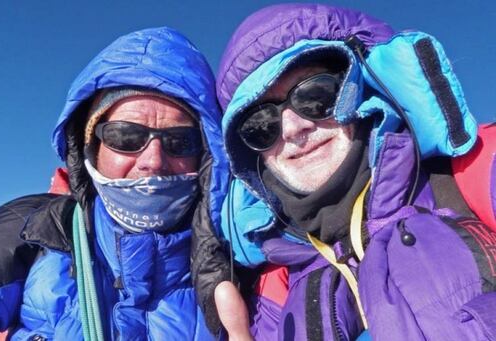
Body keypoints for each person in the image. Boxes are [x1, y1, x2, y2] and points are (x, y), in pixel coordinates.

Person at [0, 27, 227, 341]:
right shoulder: (35, 228)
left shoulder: (237, 252)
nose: (153, 160)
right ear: (90, 148)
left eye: (181, 142)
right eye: (126, 136)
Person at [192, 4, 496, 340]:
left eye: (315, 96)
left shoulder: (475, 173)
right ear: (252, 156)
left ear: (361, 89)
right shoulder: (274, 285)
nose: (293, 128)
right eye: (260, 125)